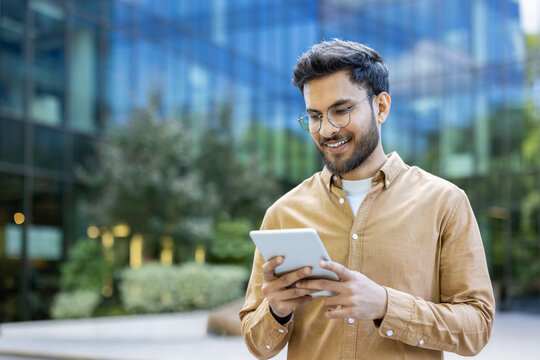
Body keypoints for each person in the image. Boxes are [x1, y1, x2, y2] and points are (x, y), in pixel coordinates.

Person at [239, 39, 495, 360]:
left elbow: (477, 329)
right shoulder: (283, 213)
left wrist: (386, 306)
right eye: (315, 116)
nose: (326, 130)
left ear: (381, 107)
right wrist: (276, 310)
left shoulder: (445, 203)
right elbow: (257, 345)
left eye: (341, 111)